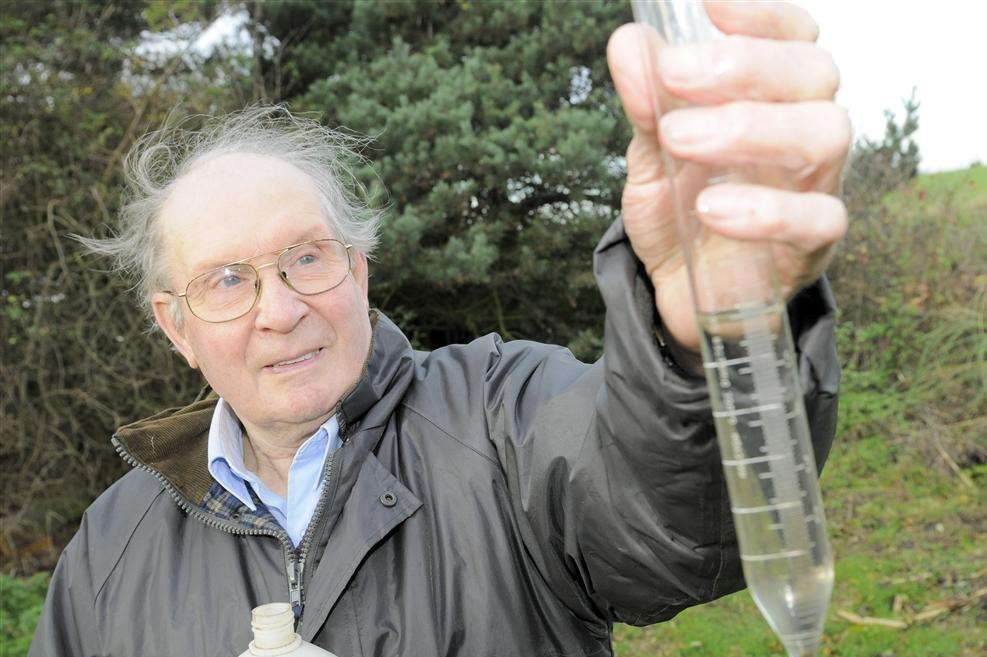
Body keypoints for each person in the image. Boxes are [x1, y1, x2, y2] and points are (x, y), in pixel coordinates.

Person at [30, 3, 848, 655]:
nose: (278, 310)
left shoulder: (500, 417)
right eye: (227, 281)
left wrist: (711, 330)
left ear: (358, 270)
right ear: (176, 326)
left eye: (306, 259)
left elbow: (670, 516)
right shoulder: (112, 542)